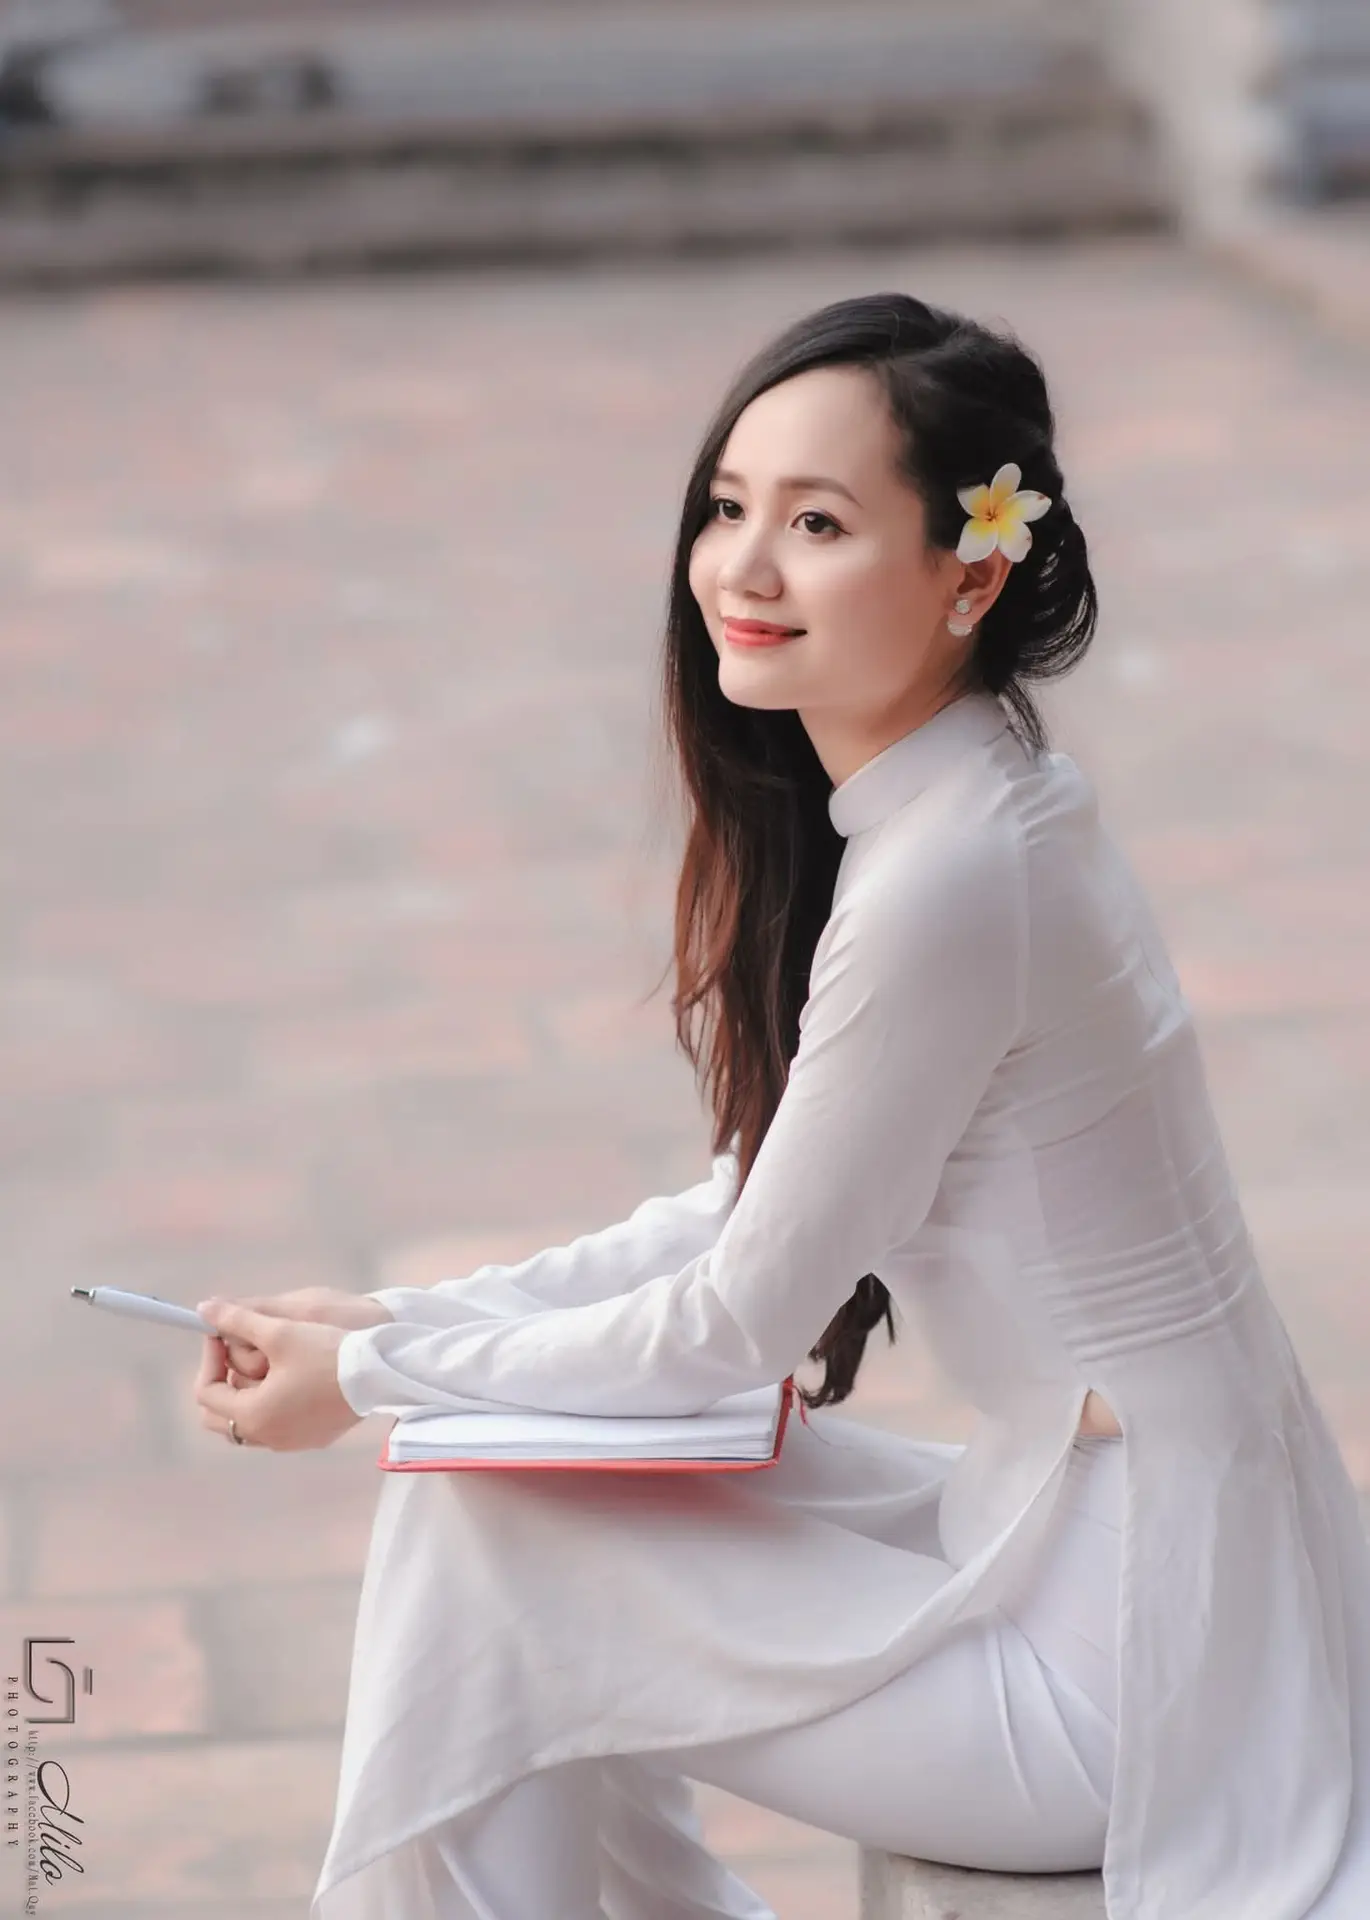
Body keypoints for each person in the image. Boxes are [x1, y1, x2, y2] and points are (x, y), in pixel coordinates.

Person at [193, 291, 1370, 1920]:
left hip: (1143, 1679)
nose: (741, 568)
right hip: (1087, 1540)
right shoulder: (968, 807)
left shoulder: (953, 875)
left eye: (815, 523)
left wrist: (370, 1379)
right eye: (727, 508)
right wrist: (404, 1324)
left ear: (969, 574)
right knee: (490, 1483)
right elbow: (751, 1210)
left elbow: (735, 1320)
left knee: (490, 1529)